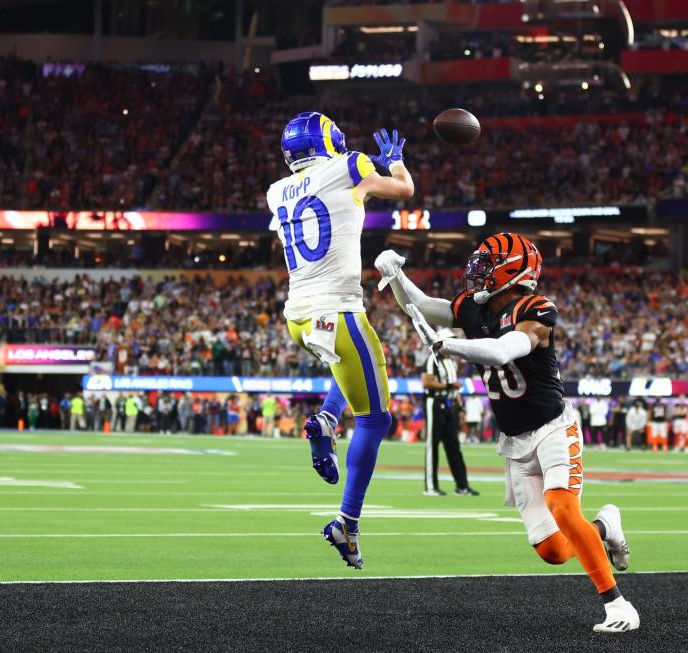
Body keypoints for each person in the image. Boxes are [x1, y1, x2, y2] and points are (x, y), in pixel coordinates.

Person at [376, 233, 638, 633]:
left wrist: (449, 346)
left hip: (553, 427)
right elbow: (424, 306)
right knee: (552, 550)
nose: (477, 271)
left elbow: (503, 351)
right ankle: (605, 527)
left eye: (487, 264)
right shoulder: (474, 309)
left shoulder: (536, 307)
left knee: (563, 508)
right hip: (515, 441)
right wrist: (395, 274)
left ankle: (618, 605)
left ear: (514, 271)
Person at [266, 113, 413, 569]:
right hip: (338, 310)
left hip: (297, 317)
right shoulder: (349, 165)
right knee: (375, 419)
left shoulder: (276, 191)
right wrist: (396, 162)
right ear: (326, 139)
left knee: (345, 368)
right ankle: (347, 523)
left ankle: (328, 418)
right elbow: (404, 191)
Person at [421, 330, 478, 497]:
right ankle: (431, 486)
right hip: (435, 403)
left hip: (450, 405)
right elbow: (426, 382)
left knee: (454, 447)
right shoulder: (433, 359)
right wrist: (449, 386)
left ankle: (462, 486)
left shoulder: (452, 362)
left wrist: (460, 409)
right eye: (449, 341)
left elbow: (455, 389)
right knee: (433, 446)